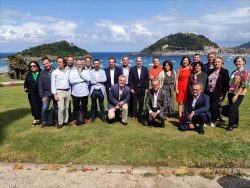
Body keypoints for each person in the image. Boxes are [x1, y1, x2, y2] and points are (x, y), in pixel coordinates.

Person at [227, 56, 249, 131]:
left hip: (239, 94)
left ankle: (230, 126)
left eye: (239, 61)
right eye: (236, 61)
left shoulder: (245, 72)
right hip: (231, 92)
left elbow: (244, 85)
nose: (238, 63)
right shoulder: (234, 71)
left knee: (231, 109)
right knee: (235, 109)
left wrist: (236, 95)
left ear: (244, 62)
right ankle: (235, 123)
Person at [205, 57, 229, 127]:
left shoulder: (224, 71)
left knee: (213, 106)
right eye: (215, 62)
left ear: (221, 63)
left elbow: (226, 84)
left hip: (217, 93)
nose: (217, 63)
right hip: (208, 92)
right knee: (209, 106)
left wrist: (223, 94)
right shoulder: (210, 71)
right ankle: (209, 119)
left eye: (218, 62)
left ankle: (214, 120)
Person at [51, 56, 71, 128]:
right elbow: (53, 84)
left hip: (68, 91)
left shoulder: (68, 70)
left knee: (67, 108)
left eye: (60, 62)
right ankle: (60, 123)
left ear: (64, 63)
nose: (58, 63)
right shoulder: (54, 72)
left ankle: (66, 121)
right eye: (57, 62)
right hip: (59, 92)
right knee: (61, 108)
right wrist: (54, 94)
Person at [69, 59, 90, 125]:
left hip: (84, 93)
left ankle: (85, 119)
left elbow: (88, 79)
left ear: (82, 64)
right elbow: (71, 81)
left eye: (80, 64)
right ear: (76, 64)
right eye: (78, 64)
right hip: (75, 93)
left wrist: (81, 73)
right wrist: (81, 80)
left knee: (85, 107)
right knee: (75, 107)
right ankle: (75, 119)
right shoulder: (72, 71)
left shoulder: (86, 71)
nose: (79, 65)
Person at [38, 56, 57, 127]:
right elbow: (40, 85)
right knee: (44, 108)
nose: (46, 65)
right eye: (44, 64)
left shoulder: (56, 70)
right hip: (46, 93)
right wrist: (42, 96)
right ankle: (44, 121)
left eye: (47, 63)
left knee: (56, 108)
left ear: (50, 62)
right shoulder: (42, 73)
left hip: (55, 93)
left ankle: (56, 121)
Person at [88, 59, 107, 123]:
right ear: (93, 64)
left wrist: (97, 80)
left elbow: (105, 79)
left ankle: (103, 117)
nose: (96, 65)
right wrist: (98, 81)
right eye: (95, 63)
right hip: (93, 91)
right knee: (93, 105)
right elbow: (90, 81)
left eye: (97, 63)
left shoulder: (102, 71)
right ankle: (93, 117)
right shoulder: (90, 71)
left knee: (101, 105)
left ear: (99, 64)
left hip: (101, 90)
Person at [24, 61, 42, 126]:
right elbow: (26, 84)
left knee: (40, 106)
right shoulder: (28, 75)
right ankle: (34, 120)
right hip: (31, 94)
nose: (32, 67)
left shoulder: (41, 73)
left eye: (34, 66)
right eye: (31, 66)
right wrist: (25, 88)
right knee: (33, 106)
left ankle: (41, 119)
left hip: (40, 93)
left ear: (37, 66)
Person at [176, 56, 192, 124]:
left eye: (186, 60)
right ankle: (180, 116)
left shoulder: (191, 69)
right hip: (180, 86)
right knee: (180, 102)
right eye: (184, 60)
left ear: (188, 61)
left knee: (187, 102)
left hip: (188, 87)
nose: (185, 61)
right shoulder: (179, 69)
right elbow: (176, 79)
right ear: (182, 61)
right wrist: (176, 88)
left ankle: (186, 115)